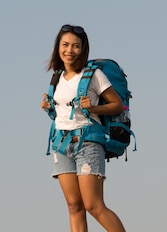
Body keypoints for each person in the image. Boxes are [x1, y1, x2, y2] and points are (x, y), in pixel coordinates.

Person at [40, 24, 127, 232]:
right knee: (74, 206)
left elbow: (118, 105)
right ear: (58, 47)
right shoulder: (57, 77)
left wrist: (94, 106)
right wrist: (47, 107)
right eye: (65, 45)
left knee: (93, 205)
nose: (69, 51)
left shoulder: (93, 74)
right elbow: (62, 114)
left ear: (83, 49)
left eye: (75, 46)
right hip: (61, 144)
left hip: (87, 142)